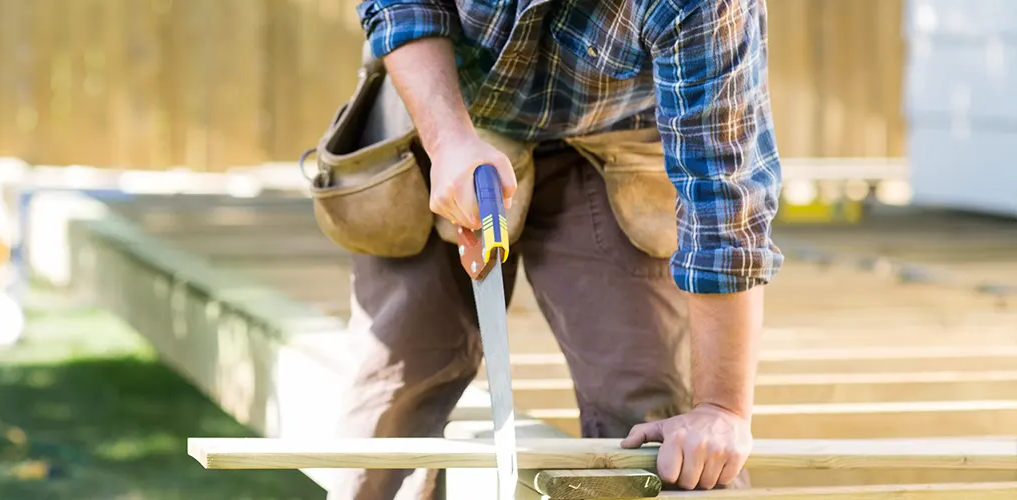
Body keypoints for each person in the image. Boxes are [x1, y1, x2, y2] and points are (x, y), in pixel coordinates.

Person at [316, 1, 784, 498]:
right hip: (442, 101)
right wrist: (448, 140)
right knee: (391, 404)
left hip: (610, 134)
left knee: (654, 426)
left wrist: (722, 410)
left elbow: (722, 198)